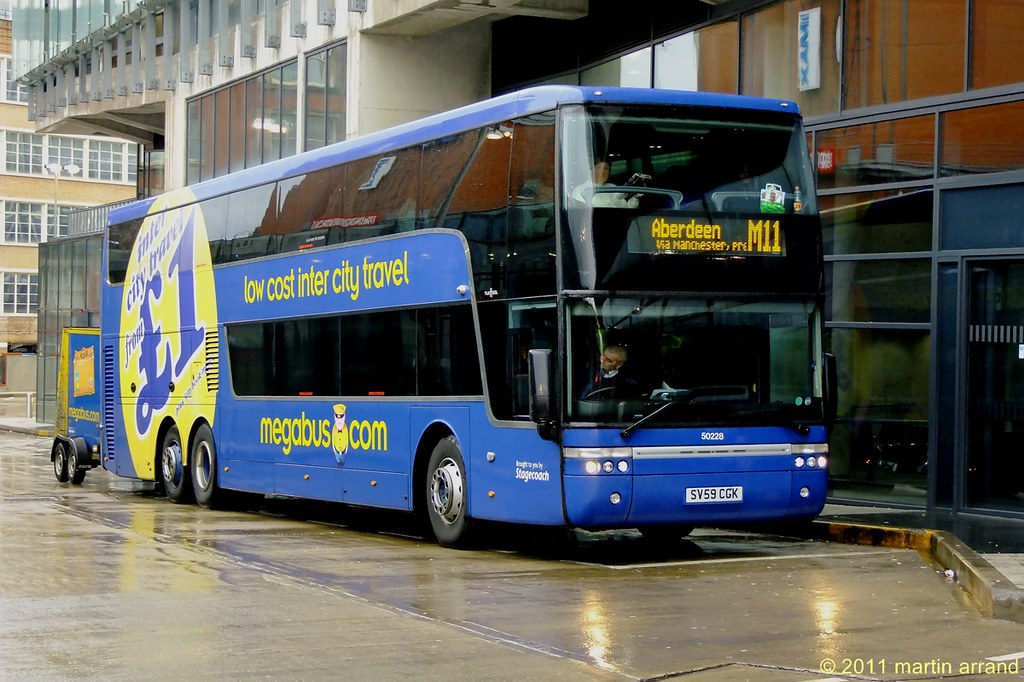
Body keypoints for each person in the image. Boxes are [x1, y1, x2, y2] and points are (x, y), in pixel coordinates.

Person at [573, 160, 640, 208]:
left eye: (606, 168)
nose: (603, 171)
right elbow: (582, 215)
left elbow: (626, 207)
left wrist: (635, 198)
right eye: (599, 168)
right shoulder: (580, 190)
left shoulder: (613, 187)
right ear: (591, 170)